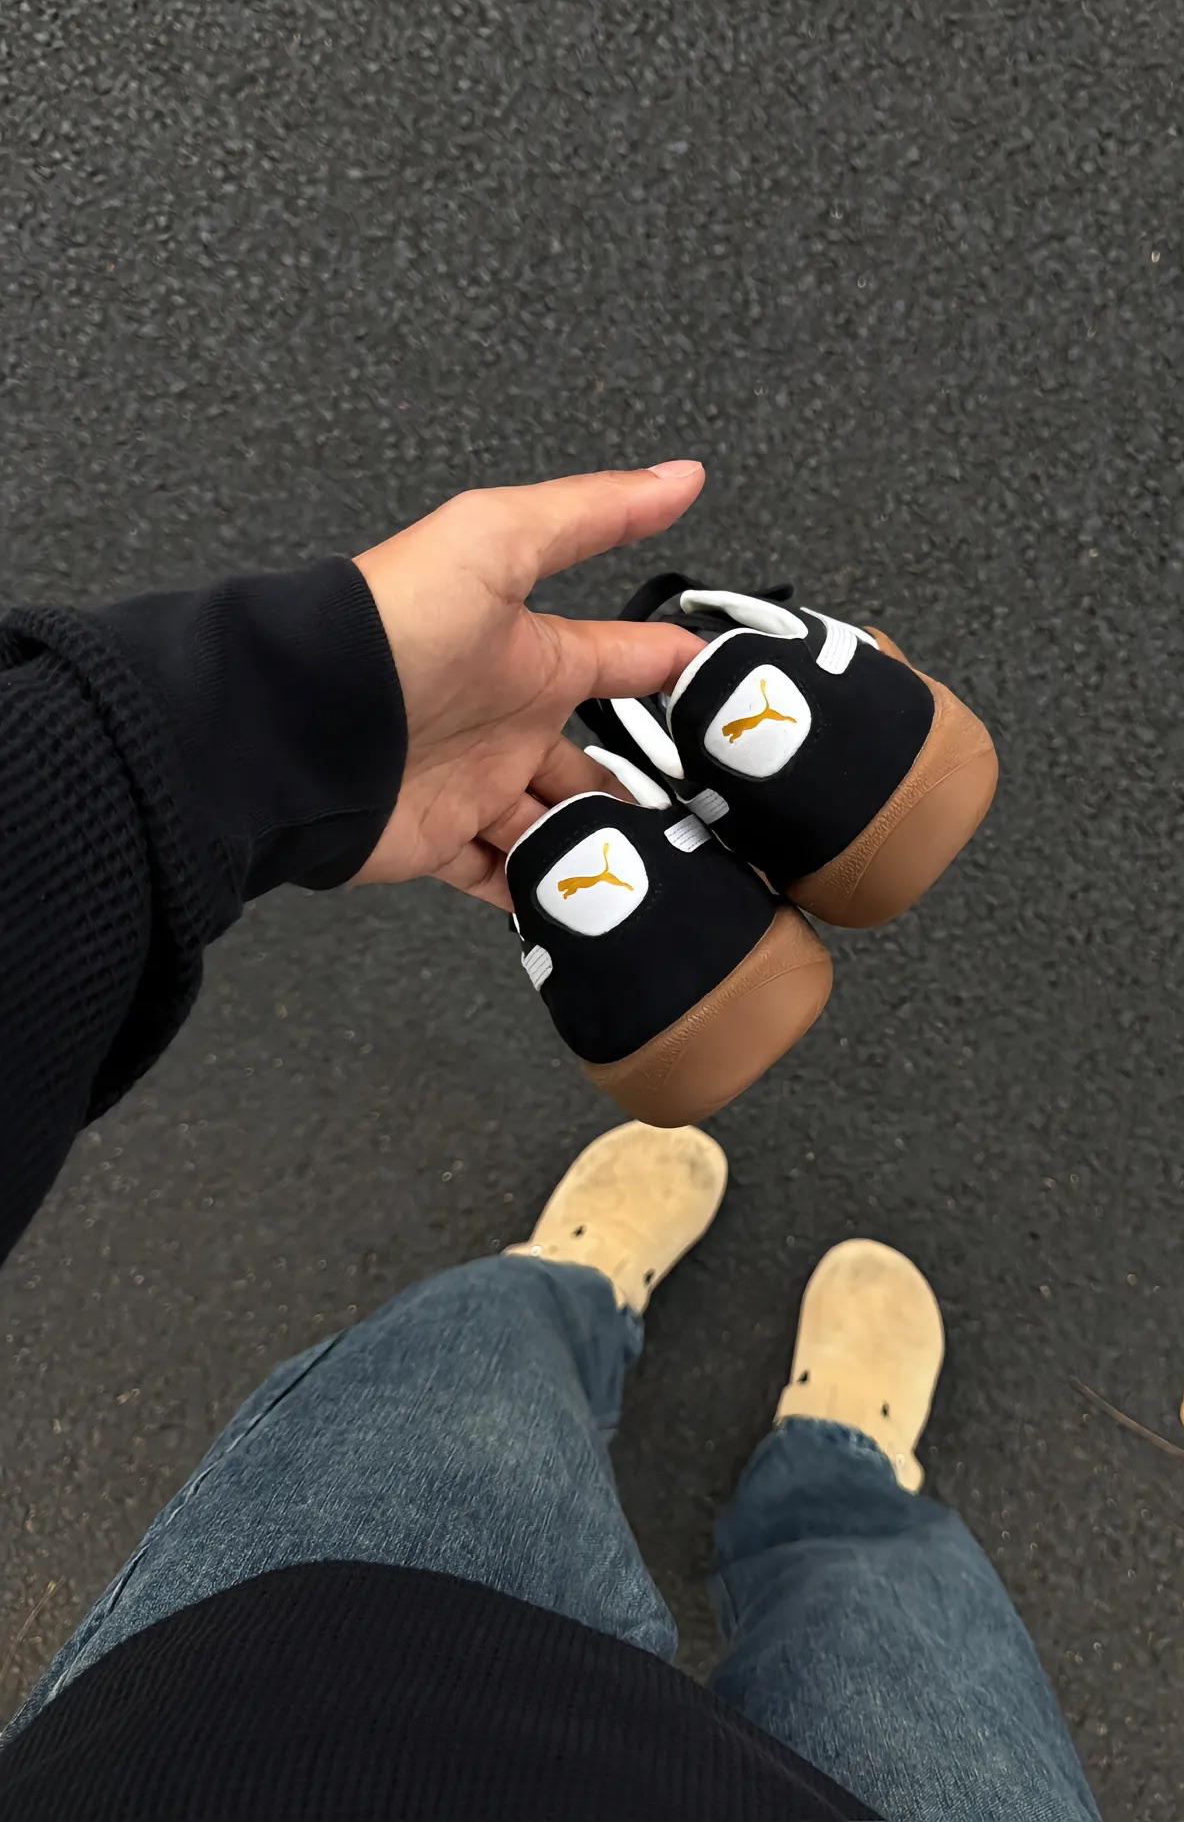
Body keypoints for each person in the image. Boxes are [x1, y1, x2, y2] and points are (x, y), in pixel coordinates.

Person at [0, 464, 1099, 1821]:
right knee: (889, 1612)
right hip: (329, 1695)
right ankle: (837, 1465)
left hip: (290, 1704)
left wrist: (249, 731)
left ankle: (575, 1286)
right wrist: (250, 713)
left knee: (476, 1370)